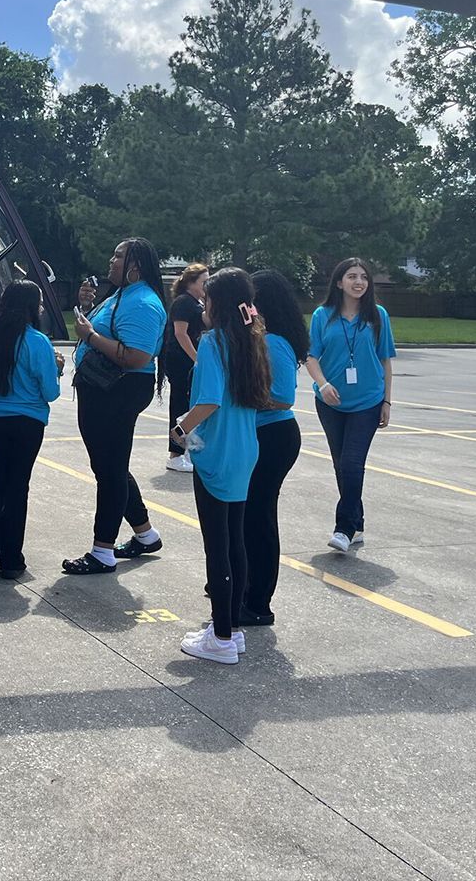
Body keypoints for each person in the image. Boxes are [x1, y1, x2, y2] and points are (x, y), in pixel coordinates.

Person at [171, 267, 272, 665]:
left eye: (205, 299)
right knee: (235, 540)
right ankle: (229, 626)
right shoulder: (250, 340)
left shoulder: (213, 343)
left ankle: (223, 637)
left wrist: (181, 428)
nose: (201, 306)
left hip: (217, 451)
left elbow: (209, 400)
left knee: (218, 545)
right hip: (245, 448)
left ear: (217, 303)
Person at [61, 237, 168, 575]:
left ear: (135, 265)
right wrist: (85, 307)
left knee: (109, 471)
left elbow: (136, 356)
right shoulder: (123, 294)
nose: (111, 260)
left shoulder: (143, 302)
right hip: (102, 390)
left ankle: (102, 550)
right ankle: (145, 534)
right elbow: (97, 330)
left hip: (118, 391)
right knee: (111, 465)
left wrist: (91, 337)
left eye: (118, 256)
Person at [0, 280, 62, 580]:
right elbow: (50, 393)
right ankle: (10, 559)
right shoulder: (38, 342)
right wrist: (56, 369)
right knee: (18, 487)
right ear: (32, 307)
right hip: (27, 423)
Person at [305, 257, 396, 552]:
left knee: (351, 463)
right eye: (352, 276)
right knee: (340, 465)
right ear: (339, 282)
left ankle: (343, 527)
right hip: (330, 402)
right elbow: (311, 356)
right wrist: (323, 383)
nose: (359, 282)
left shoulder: (378, 315)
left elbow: (385, 361)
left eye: (364, 277)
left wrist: (387, 401)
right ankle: (357, 523)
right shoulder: (323, 315)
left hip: (368, 401)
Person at [242, 269, 307, 625]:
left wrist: (238, 400)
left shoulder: (273, 342)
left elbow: (281, 398)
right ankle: (248, 586)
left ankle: (258, 603)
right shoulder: (260, 337)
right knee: (251, 517)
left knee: (259, 517)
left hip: (274, 437)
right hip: (263, 435)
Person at [160, 263, 209, 473]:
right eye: (204, 282)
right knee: (180, 403)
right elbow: (181, 333)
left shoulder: (197, 303)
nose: (207, 286)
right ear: (190, 282)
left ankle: (187, 450)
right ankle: (175, 454)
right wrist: (196, 359)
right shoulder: (183, 302)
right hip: (179, 360)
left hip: (189, 361)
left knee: (190, 403)